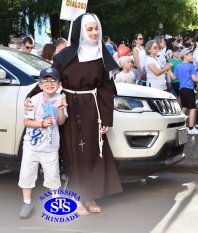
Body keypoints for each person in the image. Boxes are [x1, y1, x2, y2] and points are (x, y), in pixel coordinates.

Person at [25, 13, 123, 215]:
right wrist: (30, 95)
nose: (94, 32)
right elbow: (50, 79)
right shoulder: (65, 56)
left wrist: (106, 118)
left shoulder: (101, 54)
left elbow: (105, 88)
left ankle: (91, 196)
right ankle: (77, 196)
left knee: (93, 153)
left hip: (91, 106)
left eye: (96, 28)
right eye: (89, 29)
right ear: (80, 31)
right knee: (73, 153)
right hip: (67, 106)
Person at [18, 67, 68, 219]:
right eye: (46, 81)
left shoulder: (61, 99)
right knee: (27, 174)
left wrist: (60, 109)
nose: (49, 84)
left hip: (50, 147)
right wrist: (41, 124)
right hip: (31, 146)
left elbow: (60, 122)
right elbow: (26, 122)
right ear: (40, 85)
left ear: (59, 84)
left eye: (53, 81)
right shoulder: (33, 100)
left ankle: (55, 203)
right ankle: (27, 203)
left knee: (53, 176)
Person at [168, 48, 198, 134]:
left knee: (184, 108)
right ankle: (191, 128)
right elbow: (194, 78)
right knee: (192, 109)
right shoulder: (191, 66)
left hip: (181, 89)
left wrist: (168, 70)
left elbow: (173, 77)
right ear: (185, 56)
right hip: (189, 89)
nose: (192, 56)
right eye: (190, 54)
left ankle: (180, 126)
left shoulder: (179, 66)